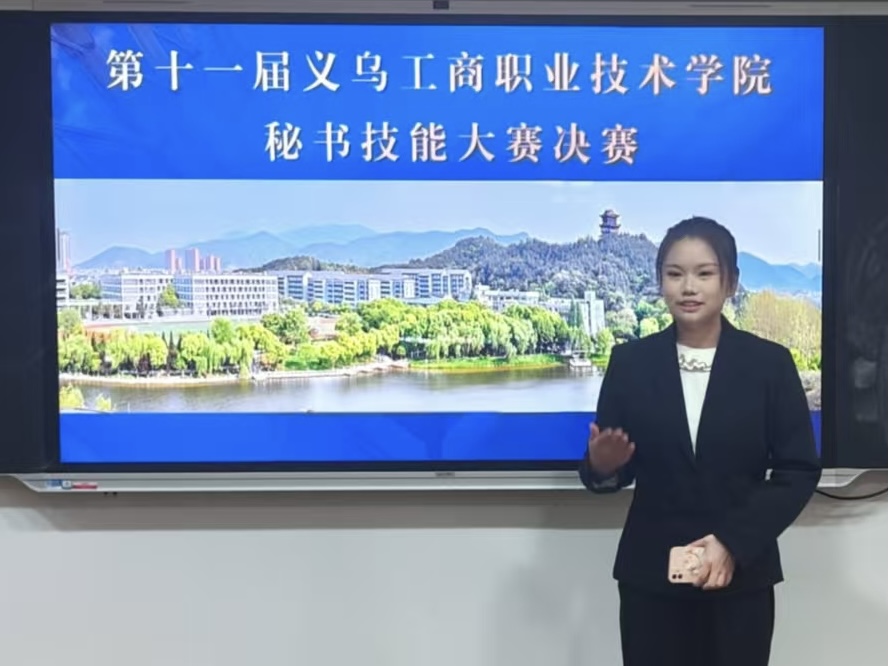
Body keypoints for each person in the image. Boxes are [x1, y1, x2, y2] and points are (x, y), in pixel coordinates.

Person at [579, 216, 822, 666]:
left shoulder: (769, 365)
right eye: (675, 274)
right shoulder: (630, 363)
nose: (688, 287)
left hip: (741, 578)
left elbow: (798, 470)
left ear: (731, 282)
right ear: (660, 282)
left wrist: (732, 542)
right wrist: (602, 466)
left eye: (704, 273)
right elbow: (610, 472)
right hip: (651, 581)